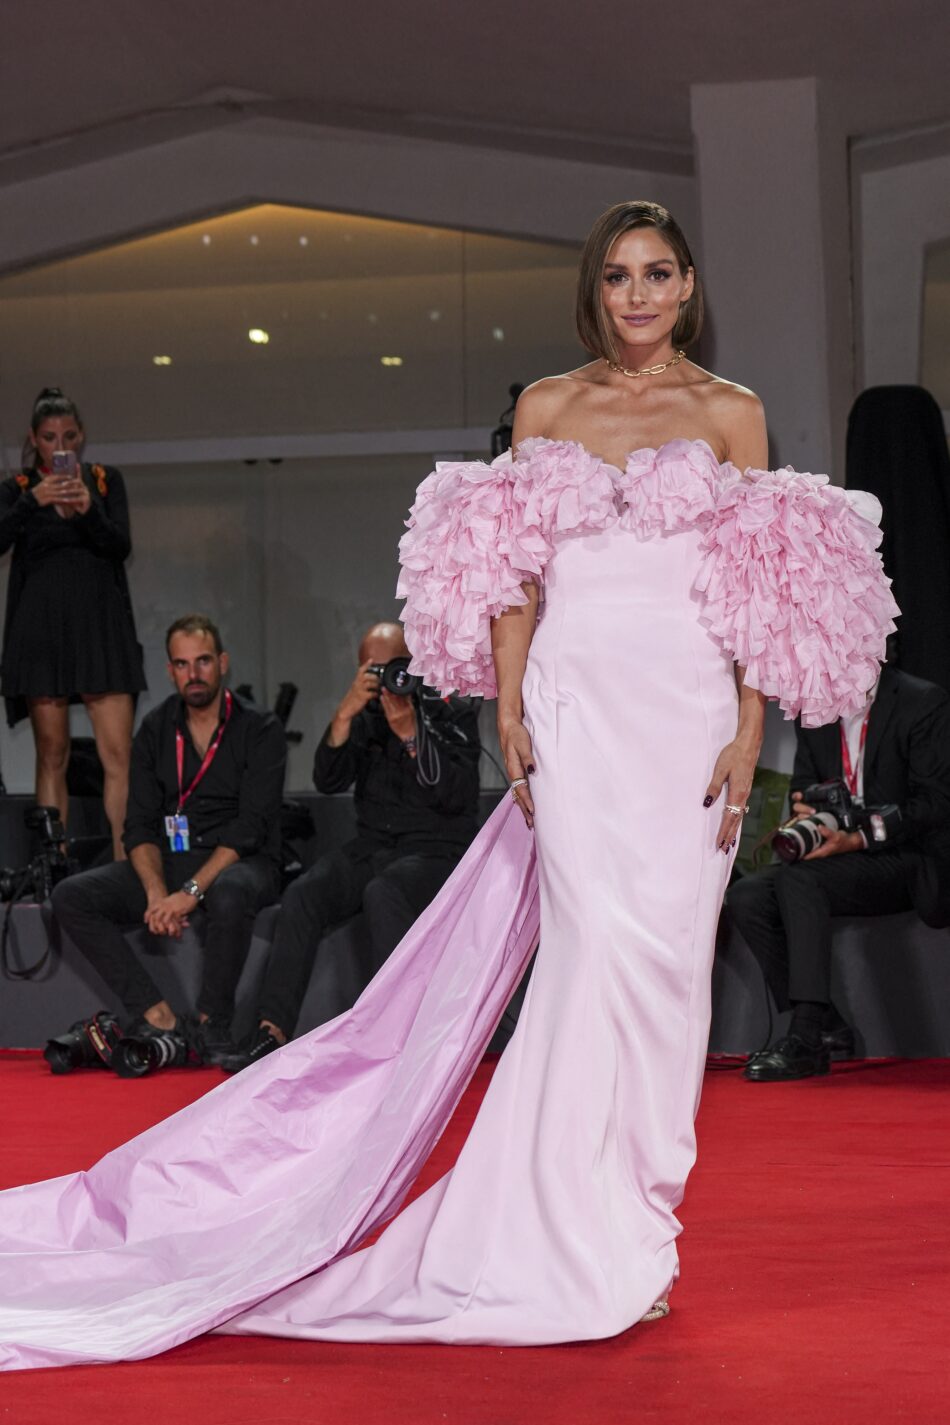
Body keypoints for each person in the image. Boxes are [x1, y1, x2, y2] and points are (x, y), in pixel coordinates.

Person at [0, 201, 897, 1371]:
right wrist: (512, 711)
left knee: (667, 977)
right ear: (595, 288)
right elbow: (509, 579)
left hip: (684, 724)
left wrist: (745, 731)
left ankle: (637, 1227)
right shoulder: (545, 406)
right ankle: (568, 1238)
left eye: (658, 274)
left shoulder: (731, 414)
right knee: (594, 965)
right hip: (574, 712)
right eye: (618, 275)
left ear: (685, 288)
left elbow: (747, 588)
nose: (637, 295)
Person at [229, 621, 481, 1071]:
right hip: (373, 846)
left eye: (395, 666)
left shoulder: (449, 706)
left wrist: (409, 734)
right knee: (305, 892)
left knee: (384, 891)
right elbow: (328, 780)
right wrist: (343, 716)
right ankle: (272, 1030)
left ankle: (398, 1035)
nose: (387, 678)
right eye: (373, 667)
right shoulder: (362, 714)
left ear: (416, 661)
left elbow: (456, 796)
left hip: (436, 850)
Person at [49, 615, 286, 1067]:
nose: (193, 674)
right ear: (169, 671)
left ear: (222, 663)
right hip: (174, 861)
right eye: (181, 664)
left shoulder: (260, 727)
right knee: (71, 895)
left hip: (242, 861)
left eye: (202, 662)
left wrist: (190, 894)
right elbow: (137, 824)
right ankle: (156, 1015)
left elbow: (250, 827)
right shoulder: (156, 729)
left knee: (232, 891)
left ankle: (212, 1023)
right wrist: (158, 893)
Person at [727, 664, 950, 1081]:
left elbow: (935, 805)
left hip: (908, 857)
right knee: (747, 896)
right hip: (841, 856)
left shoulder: (922, 701)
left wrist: (860, 836)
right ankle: (827, 1026)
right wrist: (809, 814)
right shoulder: (817, 712)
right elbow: (804, 787)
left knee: (800, 879)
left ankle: (807, 1039)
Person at [0, 387, 146, 859]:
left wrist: (88, 510)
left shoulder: (104, 481)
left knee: (118, 755)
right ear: (34, 440)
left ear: (81, 436)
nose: (59, 445)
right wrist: (34, 501)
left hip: (99, 627)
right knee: (52, 752)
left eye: (68, 435)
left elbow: (119, 545)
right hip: (41, 630)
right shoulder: (19, 489)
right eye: (48, 437)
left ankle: (130, 867)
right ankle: (52, 867)